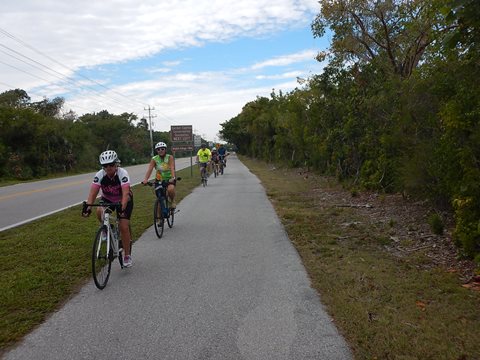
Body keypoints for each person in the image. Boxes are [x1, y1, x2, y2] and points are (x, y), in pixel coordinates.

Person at [83, 150, 133, 267]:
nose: (109, 168)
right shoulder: (99, 175)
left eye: (111, 165)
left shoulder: (122, 173)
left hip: (123, 199)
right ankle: (106, 228)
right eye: (105, 166)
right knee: (99, 210)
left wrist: (122, 207)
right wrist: (88, 207)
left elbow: (126, 193)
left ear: (116, 164)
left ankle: (127, 255)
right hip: (108, 199)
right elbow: (93, 193)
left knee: (123, 226)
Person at [142, 142, 177, 209]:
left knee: (170, 189)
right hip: (159, 179)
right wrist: (146, 179)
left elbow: (172, 167)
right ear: (156, 151)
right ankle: (158, 219)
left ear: (165, 149)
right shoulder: (154, 159)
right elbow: (150, 170)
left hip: (169, 178)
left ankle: (172, 201)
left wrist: (173, 177)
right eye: (158, 149)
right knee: (159, 198)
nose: (160, 150)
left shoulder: (169, 157)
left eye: (162, 149)